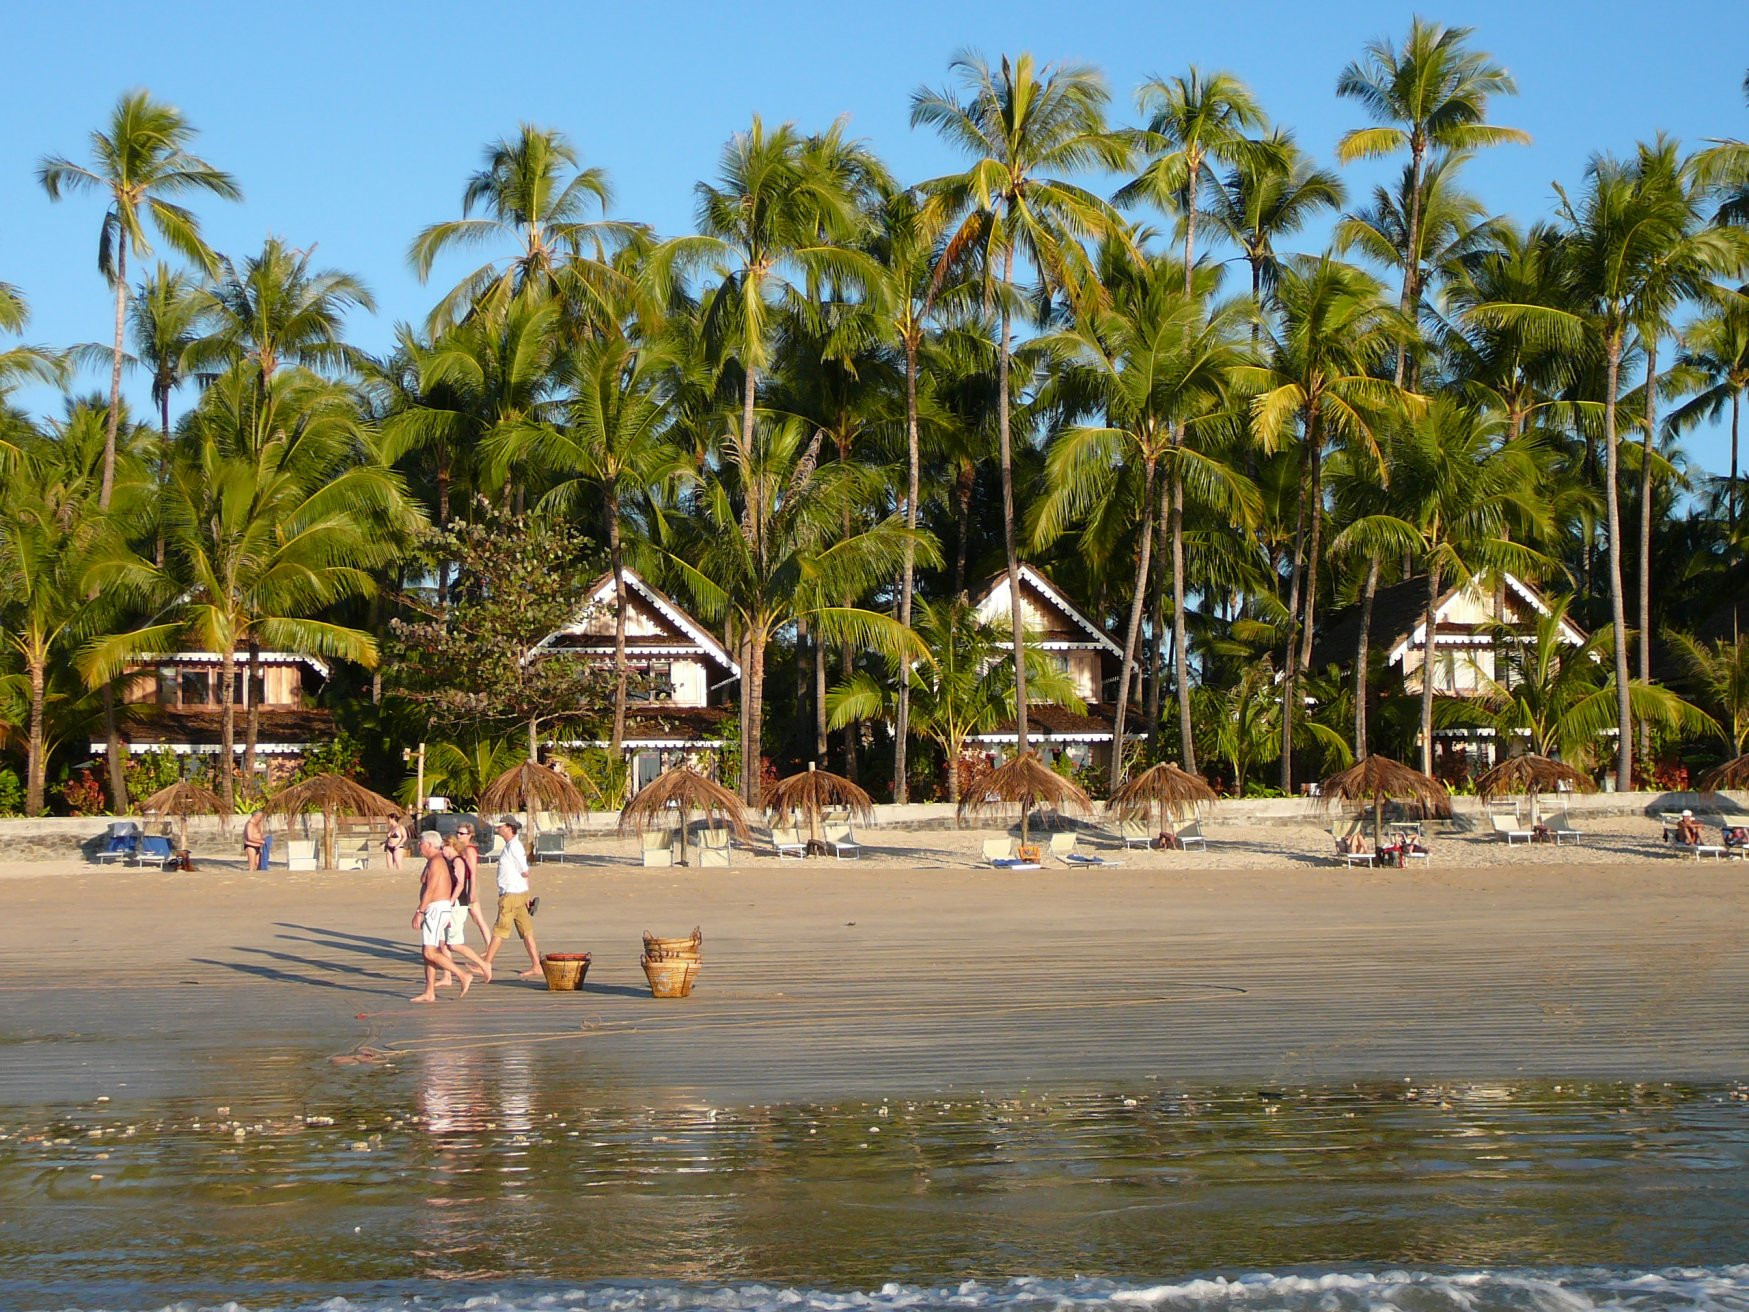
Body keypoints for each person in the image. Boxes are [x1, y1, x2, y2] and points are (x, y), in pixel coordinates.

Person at [410, 831, 468, 1004]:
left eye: (420, 843)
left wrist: (420, 912)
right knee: (427, 951)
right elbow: (427, 882)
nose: (418, 846)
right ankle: (429, 991)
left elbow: (431, 888)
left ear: (428, 844)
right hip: (437, 909)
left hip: (436, 908)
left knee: (430, 951)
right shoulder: (434, 861)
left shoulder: (436, 862)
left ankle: (462, 975)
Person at [482, 816, 542, 980]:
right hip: (519, 894)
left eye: (501, 826)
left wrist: (523, 891)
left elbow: (524, 871)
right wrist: (527, 895)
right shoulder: (512, 846)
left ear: (509, 828)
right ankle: (536, 965)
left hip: (511, 895)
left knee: (499, 930)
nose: (498, 829)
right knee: (526, 932)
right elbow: (524, 874)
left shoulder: (514, 847)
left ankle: (486, 963)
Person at [440, 832, 493, 987]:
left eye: (444, 848)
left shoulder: (458, 861)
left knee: (454, 944)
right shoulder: (450, 861)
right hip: (451, 903)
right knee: (443, 943)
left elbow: (461, 884)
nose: (442, 851)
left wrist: (450, 902)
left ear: (450, 846)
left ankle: (483, 965)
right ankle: (447, 976)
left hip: (457, 904)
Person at [453, 822, 492, 946]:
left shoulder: (470, 850)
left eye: (462, 833)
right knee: (476, 917)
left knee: (478, 918)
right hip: (463, 883)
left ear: (470, 835)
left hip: (470, 884)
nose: (458, 836)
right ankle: (489, 944)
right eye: (457, 833)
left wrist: (472, 891)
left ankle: (490, 945)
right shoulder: (461, 849)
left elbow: (473, 872)